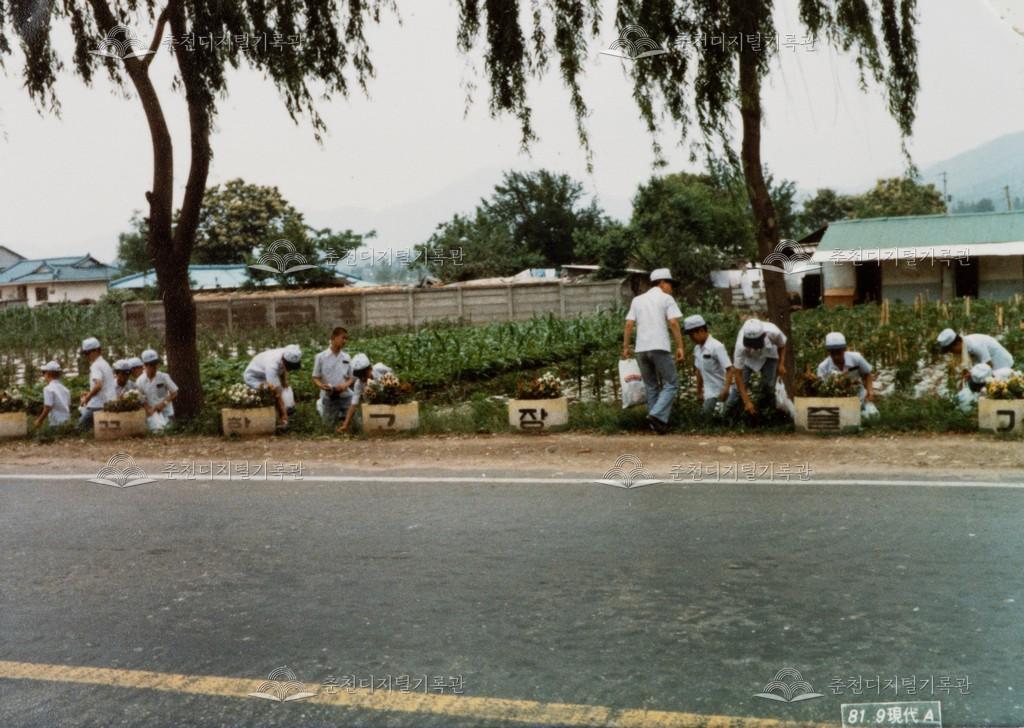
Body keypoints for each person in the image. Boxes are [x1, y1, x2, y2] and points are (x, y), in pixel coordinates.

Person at [622, 268, 685, 434]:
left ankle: (656, 425)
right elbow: (673, 323)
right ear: (663, 283)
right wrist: (680, 346)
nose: (671, 287)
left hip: (641, 349)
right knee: (672, 383)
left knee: (651, 386)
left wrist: (626, 347)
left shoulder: (637, 300)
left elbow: (629, 324)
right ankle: (657, 415)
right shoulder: (666, 299)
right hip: (659, 346)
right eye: (670, 283)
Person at [726, 318, 788, 415]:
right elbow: (738, 374)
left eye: (756, 345)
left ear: (764, 336)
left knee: (768, 386)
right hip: (748, 358)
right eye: (751, 345)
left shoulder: (773, 332)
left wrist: (781, 364)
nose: (754, 347)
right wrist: (747, 402)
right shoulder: (740, 346)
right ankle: (727, 413)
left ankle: (767, 414)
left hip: (769, 355)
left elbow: (782, 345)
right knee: (740, 387)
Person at [683, 314, 733, 417]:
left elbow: (729, 369)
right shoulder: (697, 349)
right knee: (704, 418)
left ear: (701, 330)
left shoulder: (716, 346)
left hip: (722, 392)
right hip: (709, 393)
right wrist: (699, 391)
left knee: (718, 419)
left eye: (692, 335)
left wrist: (726, 389)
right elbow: (699, 371)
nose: (691, 339)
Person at [243, 344, 302, 428]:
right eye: (289, 366)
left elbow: (283, 371)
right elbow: (277, 394)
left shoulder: (288, 352)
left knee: (285, 389)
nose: (290, 369)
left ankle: (287, 414)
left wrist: (284, 382)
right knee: (271, 394)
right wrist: (283, 414)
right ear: (283, 360)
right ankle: (278, 420)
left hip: (265, 372)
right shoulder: (272, 366)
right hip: (254, 378)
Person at [338, 353, 393, 433]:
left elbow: (394, 377)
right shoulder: (359, 384)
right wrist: (345, 424)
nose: (363, 378)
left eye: (364, 375)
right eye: (360, 376)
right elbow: (353, 405)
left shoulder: (380, 368)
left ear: (370, 369)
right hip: (374, 404)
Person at [816, 332, 875, 405]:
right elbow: (822, 390)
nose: (836, 356)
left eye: (838, 352)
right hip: (836, 403)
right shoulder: (823, 367)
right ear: (828, 352)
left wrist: (870, 391)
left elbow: (867, 374)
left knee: (873, 415)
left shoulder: (856, 358)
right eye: (832, 353)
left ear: (844, 349)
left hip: (860, 398)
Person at [312, 327, 355, 426]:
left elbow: (351, 377)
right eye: (342, 338)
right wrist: (321, 386)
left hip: (345, 395)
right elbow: (315, 377)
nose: (344, 341)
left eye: (346, 339)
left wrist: (345, 385)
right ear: (333, 338)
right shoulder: (321, 357)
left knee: (353, 424)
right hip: (329, 396)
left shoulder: (346, 357)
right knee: (328, 426)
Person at [937, 328, 1014, 381]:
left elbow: (988, 365)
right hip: (989, 363)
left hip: (999, 362)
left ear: (958, 343)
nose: (952, 353)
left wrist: (971, 375)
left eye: (951, 350)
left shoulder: (975, 345)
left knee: (999, 385)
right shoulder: (965, 343)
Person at [78, 336, 117, 428]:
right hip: (109, 402)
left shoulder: (96, 365)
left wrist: (87, 398)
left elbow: (98, 385)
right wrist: (89, 393)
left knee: (78, 428)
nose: (86, 356)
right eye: (85, 353)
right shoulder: (104, 363)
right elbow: (104, 387)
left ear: (95, 351)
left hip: (98, 405)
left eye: (87, 353)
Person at [136, 349, 178, 430]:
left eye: (156, 363)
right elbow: (141, 398)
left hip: (167, 413)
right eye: (151, 364)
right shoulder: (140, 381)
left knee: (168, 431)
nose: (155, 366)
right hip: (152, 414)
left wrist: (163, 404)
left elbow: (174, 392)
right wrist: (148, 409)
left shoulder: (164, 377)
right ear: (145, 365)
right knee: (156, 431)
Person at [34, 360, 70, 428]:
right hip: (67, 422)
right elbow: (68, 405)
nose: (43, 375)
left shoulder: (48, 389)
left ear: (48, 374)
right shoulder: (66, 389)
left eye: (43, 373)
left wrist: (39, 420)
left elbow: (48, 407)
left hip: (55, 424)